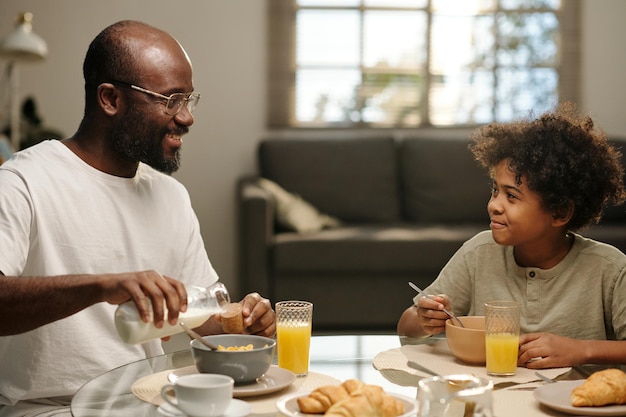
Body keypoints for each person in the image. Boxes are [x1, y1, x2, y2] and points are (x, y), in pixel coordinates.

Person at [0, 20, 275, 416]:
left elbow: (205, 318)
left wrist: (244, 322)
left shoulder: (171, 196)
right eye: (170, 99)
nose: (187, 117)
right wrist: (99, 286)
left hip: (150, 401)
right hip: (47, 408)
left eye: (189, 99)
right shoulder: (24, 181)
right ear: (110, 99)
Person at [398, 103, 626, 370]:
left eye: (512, 196)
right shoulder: (478, 252)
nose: (494, 205)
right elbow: (406, 326)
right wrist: (424, 319)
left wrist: (581, 350)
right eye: (495, 191)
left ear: (560, 212)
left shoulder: (609, 269)